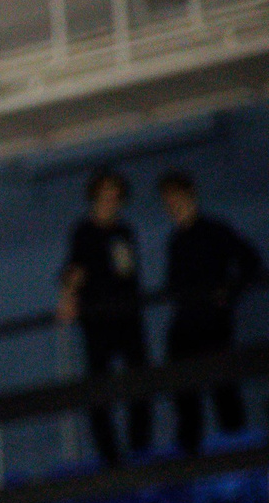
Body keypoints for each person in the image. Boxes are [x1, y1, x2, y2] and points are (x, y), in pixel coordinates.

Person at [159, 171, 262, 453]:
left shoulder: (214, 231)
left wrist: (228, 295)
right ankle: (191, 462)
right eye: (168, 202)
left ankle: (237, 463)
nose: (172, 206)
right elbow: (173, 286)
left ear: (189, 195)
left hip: (213, 327)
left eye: (175, 199)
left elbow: (251, 261)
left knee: (224, 394)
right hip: (184, 330)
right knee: (186, 401)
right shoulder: (175, 241)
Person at [56, 168, 153, 464]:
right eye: (105, 195)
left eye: (115, 195)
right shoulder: (83, 231)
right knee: (99, 389)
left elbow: (128, 273)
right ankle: (110, 457)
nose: (110, 200)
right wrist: (67, 299)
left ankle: (140, 449)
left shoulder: (124, 231)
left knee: (139, 382)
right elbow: (74, 271)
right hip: (97, 321)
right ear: (95, 197)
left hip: (127, 318)